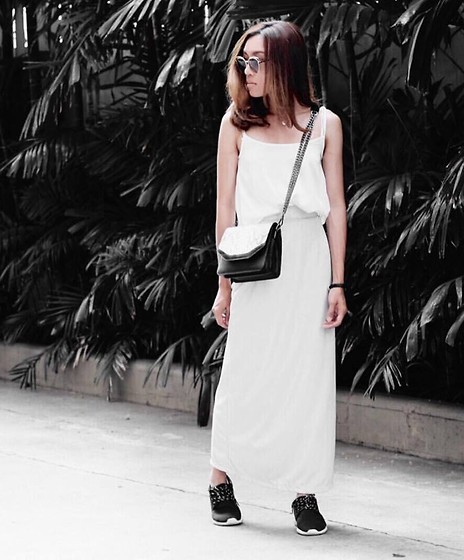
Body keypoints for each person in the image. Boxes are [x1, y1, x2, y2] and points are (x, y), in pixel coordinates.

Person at [209, 20, 348, 536]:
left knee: (307, 379)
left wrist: (337, 282)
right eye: (242, 61)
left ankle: (304, 491)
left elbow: (336, 207)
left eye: (257, 62)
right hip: (255, 261)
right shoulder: (235, 124)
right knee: (244, 371)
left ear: (286, 64)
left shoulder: (325, 124)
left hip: (309, 260)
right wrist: (223, 283)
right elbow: (225, 209)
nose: (247, 71)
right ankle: (220, 477)